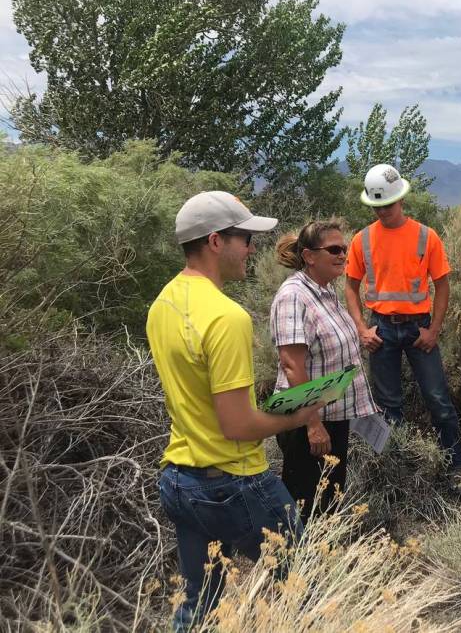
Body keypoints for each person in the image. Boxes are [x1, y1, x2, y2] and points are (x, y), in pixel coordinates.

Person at [147, 191, 324, 630]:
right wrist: (299, 416)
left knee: (196, 607)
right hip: (234, 482)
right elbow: (238, 425)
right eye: (245, 238)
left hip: (180, 480)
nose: (251, 248)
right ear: (214, 241)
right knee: (310, 588)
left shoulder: (162, 304)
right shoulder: (226, 317)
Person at [345, 164, 461, 495]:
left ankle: (456, 465)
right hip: (381, 330)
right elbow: (350, 285)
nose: (383, 211)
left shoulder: (425, 236)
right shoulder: (363, 240)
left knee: (438, 400)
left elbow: (442, 285)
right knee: (388, 408)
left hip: (419, 329)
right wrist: (362, 328)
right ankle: (396, 471)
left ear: (401, 198)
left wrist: (434, 330)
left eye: (388, 203)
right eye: (377, 206)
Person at [270, 218, 380, 524]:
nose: (343, 255)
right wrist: (313, 425)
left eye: (344, 249)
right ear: (309, 256)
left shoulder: (325, 291)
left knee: (328, 498)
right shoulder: (294, 296)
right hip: (309, 421)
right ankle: (299, 566)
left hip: (332, 416)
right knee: (306, 503)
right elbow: (293, 365)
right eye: (334, 249)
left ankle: (324, 560)